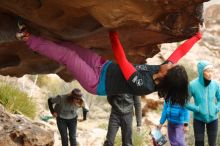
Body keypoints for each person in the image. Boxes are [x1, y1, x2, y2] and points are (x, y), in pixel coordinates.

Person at [16, 23, 201, 103]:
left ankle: (27, 38)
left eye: (171, 66)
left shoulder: (144, 85)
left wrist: (113, 35)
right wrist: (197, 37)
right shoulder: (163, 71)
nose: (170, 63)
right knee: (72, 47)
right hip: (103, 65)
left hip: (97, 83)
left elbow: (123, 62)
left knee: (68, 56)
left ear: (165, 75)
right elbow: (180, 51)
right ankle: (40, 44)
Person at [186, 60, 220, 146]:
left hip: (213, 119)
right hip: (198, 120)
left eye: (211, 71)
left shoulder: (216, 84)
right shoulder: (192, 85)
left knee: (213, 144)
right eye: (207, 71)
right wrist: (197, 109)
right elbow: (185, 102)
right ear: (201, 72)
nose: (210, 73)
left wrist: (217, 108)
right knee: (199, 143)